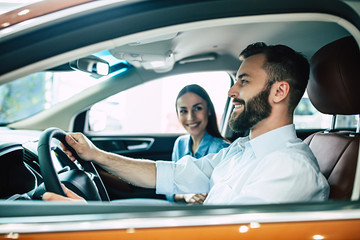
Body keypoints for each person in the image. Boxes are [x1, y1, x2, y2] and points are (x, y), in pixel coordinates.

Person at [43, 42, 330, 204]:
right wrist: (96, 155)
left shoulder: (290, 168)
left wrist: (92, 221)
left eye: (243, 81)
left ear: (279, 91)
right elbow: (174, 174)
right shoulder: (242, 148)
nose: (232, 92)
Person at [169, 84, 230, 204]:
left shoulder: (222, 149)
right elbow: (170, 188)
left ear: (209, 110)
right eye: (183, 111)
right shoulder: (180, 144)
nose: (191, 117)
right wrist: (185, 195)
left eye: (197, 108)